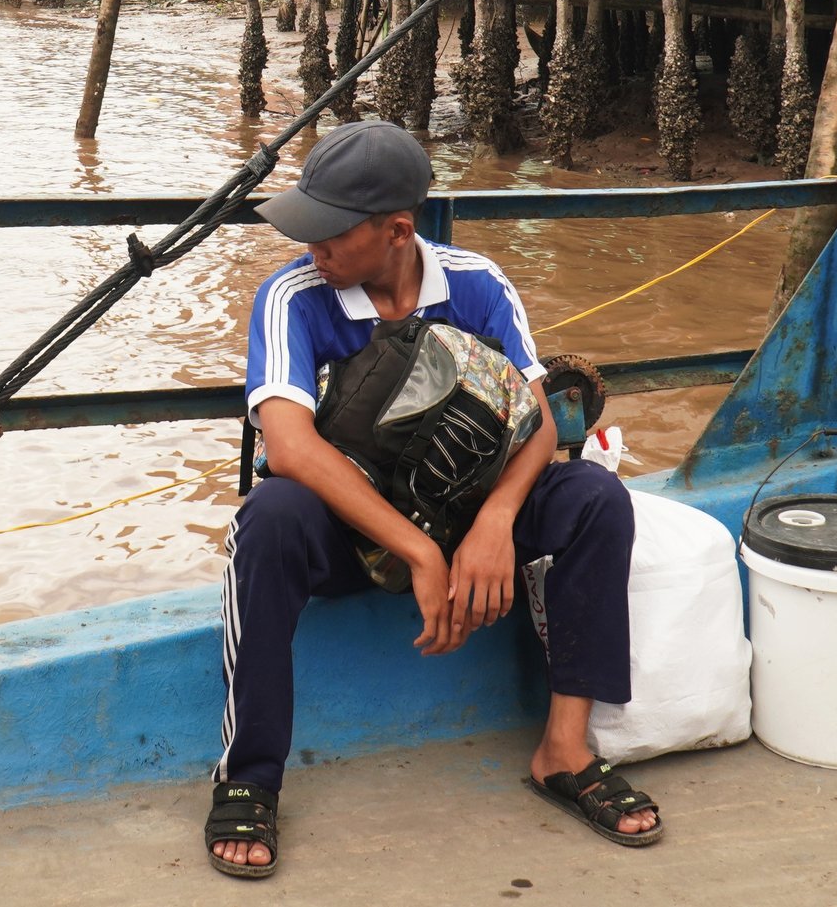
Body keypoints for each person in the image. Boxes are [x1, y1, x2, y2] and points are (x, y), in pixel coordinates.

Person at [205, 119, 662, 878]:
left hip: (469, 522)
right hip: (356, 537)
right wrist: (418, 549)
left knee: (592, 497)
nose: (313, 248)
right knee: (269, 517)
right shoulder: (293, 294)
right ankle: (250, 773)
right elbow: (288, 445)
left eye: (331, 234)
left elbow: (539, 421)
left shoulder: (478, 285)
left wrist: (494, 520)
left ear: (396, 230)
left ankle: (564, 748)